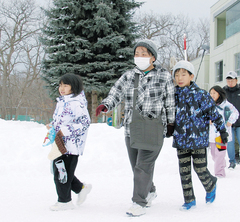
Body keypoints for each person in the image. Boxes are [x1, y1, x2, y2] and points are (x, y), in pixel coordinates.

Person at [95, 39, 175, 217]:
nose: (139, 57)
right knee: (136, 166)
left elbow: (170, 101)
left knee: (142, 167)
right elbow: (116, 92)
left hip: (154, 128)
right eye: (137, 53)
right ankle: (150, 190)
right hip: (132, 128)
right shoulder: (129, 75)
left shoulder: (164, 76)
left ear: (152, 57)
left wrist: (171, 123)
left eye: (143, 54)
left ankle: (139, 202)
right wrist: (106, 105)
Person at [171, 60, 228, 211]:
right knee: (184, 172)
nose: (180, 78)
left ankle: (211, 184)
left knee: (200, 168)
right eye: (176, 75)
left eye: (183, 74)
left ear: (191, 76)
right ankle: (189, 200)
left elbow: (214, 114)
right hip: (181, 139)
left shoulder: (201, 94)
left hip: (198, 139)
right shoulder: (173, 95)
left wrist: (222, 131)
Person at [47, 73, 91, 211]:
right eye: (60, 85)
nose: (62, 88)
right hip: (60, 144)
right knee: (59, 170)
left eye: (66, 85)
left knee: (61, 173)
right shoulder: (63, 101)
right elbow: (61, 120)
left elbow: (85, 123)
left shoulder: (77, 103)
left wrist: (64, 131)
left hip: (71, 146)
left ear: (74, 87)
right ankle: (80, 188)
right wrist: (53, 126)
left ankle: (64, 201)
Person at [209, 86, 239, 177]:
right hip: (211, 135)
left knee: (219, 155)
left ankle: (219, 173)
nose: (212, 95)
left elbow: (235, 112)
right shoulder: (208, 105)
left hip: (222, 135)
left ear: (219, 93)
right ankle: (221, 163)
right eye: (211, 93)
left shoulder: (226, 104)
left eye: (214, 93)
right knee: (214, 155)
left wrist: (230, 121)